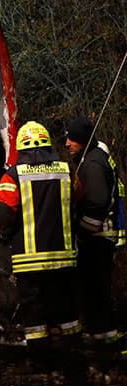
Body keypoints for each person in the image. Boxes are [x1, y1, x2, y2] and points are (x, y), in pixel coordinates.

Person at [0, 120, 80, 353]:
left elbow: (4, 212)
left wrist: (4, 234)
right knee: (65, 308)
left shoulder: (13, 176)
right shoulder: (66, 169)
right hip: (64, 256)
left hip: (28, 260)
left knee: (34, 312)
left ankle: (42, 359)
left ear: (21, 147)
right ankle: (73, 356)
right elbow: (77, 201)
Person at [65, 115, 124, 347]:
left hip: (97, 237)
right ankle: (101, 334)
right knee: (97, 287)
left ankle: (102, 336)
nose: (67, 143)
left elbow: (97, 203)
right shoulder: (96, 157)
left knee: (94, 288)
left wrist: (81, 232)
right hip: (102, 236)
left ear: (84, 140)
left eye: (73, 139)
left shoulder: (92, 164)